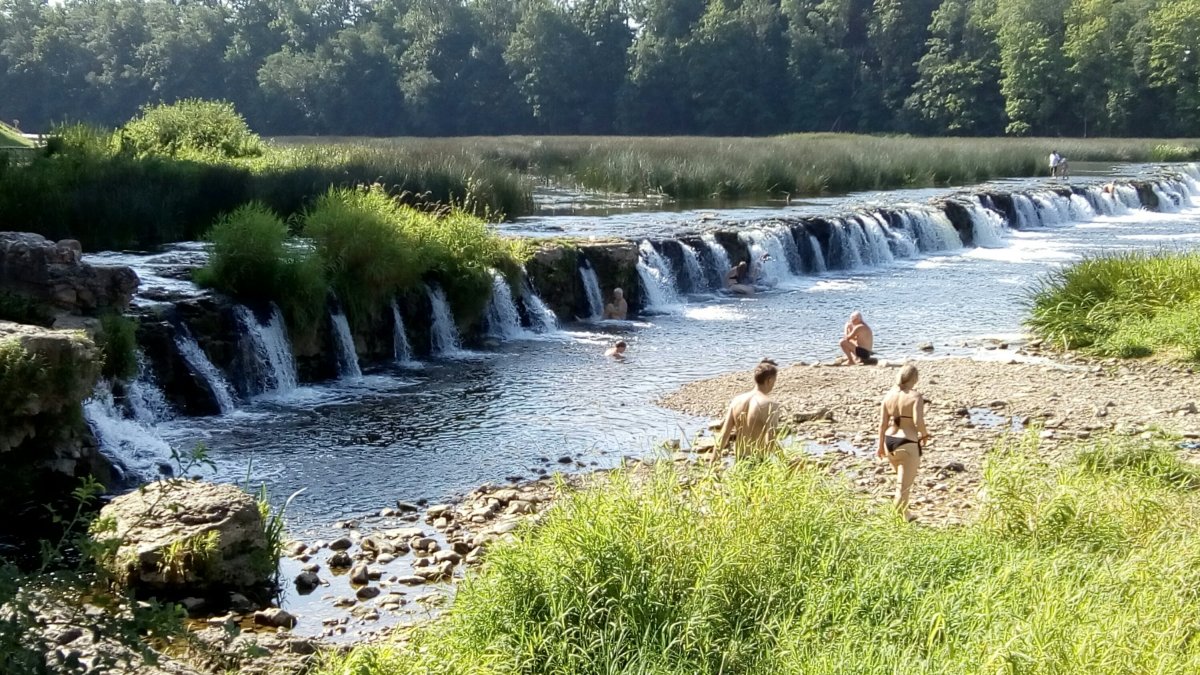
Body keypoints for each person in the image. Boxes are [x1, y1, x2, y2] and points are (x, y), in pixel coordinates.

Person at [876, 364, 930, 517]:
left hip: (889, 441)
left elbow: (882, 424)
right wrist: (925, 434)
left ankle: (905, 513)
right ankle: (899, 519)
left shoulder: (888, 396)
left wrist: (880, 446)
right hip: (908, 441)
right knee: (903, 487)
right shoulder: (915, 396)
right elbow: (918, 421)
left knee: (901, 482)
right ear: (915, 378)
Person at [714, 359, 781, 457]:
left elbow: (724, 434)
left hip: (740, 460)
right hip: (759, 460)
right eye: (774, 381)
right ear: (769, 381)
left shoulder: (736, 400)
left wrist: (713, 461)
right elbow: (771, 442)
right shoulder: (771, 405)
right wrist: (786, 462)